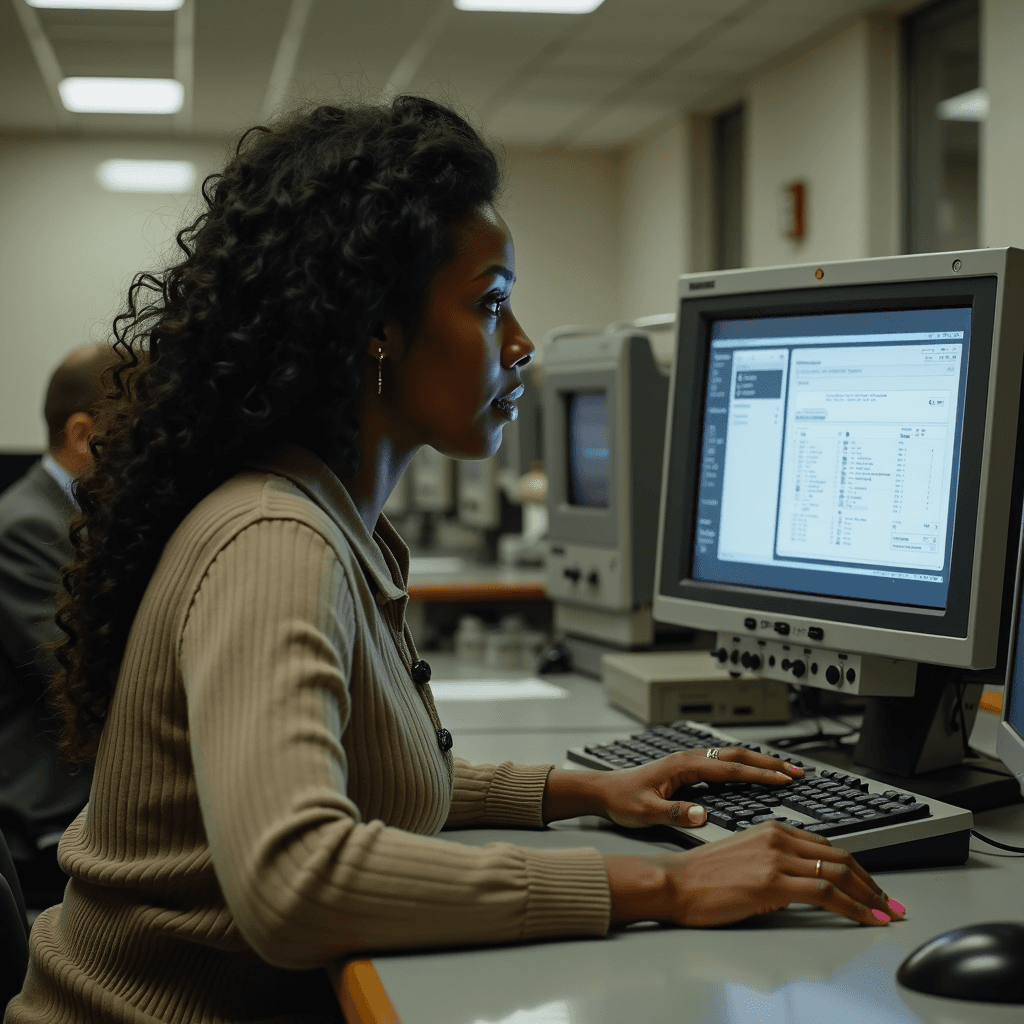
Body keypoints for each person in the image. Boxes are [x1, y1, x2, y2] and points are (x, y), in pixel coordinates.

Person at [5, 97, 903, 1024]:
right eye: (491, 304)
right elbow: (298, 880)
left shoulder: (316, 519)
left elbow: (368, 778)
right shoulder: (274, 543)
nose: (521, 346)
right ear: (374, 330)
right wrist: (662, 887)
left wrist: (580, 791)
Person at [0, 344, 114, 908]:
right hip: (53, 808)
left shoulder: (84, 518)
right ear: (80, 435)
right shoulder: (25, 528)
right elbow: (85, 676)